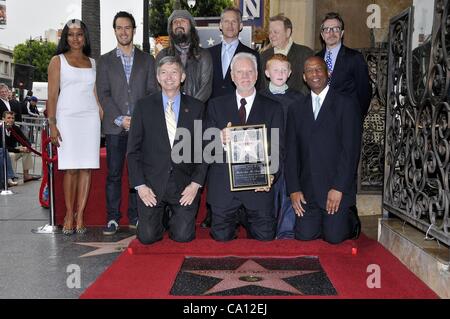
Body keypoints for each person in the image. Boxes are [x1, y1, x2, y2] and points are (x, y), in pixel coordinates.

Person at [127, 56, 207, 244]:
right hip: (152, 185)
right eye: (164, 72)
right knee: (147, 238)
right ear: (157, 77)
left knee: (183, 236)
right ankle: (159, 218)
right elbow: (133, 151)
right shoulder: (143, 106)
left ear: (182, 77)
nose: (169, 77)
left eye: (174, 72)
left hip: (184, 184)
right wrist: (141, 186)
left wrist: (195, 184)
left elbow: (205, 150)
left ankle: (175, 218)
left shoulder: (197, 107)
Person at [206, 52, 284, 242]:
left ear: (257, 76)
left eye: (249, 72)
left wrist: (271, 175)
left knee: (265, 241)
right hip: (224, 188)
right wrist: (219, 138)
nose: (245, 76)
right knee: (220, 243)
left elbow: (278, 148)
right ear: (232, 76)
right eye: (240, 72)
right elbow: (205, 145)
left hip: (258, 189)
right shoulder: (215, 105)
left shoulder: (273, 108)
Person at [285, 57, 362, 244]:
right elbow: (291, 152)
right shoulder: (296, 108)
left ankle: (351, 218)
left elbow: (350, 151)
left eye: (319, 70)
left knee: (334, 238)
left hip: (335, 190)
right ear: (304, 77)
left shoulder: (346, 104)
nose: (315, 74)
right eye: (309, 71)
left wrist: (339, 188)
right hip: (308, 191)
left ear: (328, 73)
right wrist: (294, 189)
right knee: (305, 236)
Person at [96, 11, 157, 235]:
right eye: (119, 28)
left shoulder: (147, 59)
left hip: (141, 128)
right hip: (115, 127)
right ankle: (112, 217)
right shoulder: (104, 61)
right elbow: (103, 94)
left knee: (137, 174)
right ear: (115, 31)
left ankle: (135, 216)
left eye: (127, 27)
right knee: (113, 174)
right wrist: (121, 119)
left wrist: (138, 120)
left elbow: (152, 92)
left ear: (133, 30)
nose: (124, 31)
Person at [201, 6, 261, 228]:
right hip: (216, 117)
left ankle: (242, 210)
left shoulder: (252, 55)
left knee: (243, 162)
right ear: (219, 25)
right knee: (216, 164)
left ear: (240, 26)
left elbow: (258, 88)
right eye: (225, 21)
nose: (229, 25)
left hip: (244, 115)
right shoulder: (208, 53)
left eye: (234, 21)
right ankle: (214, 210)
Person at [316, 12, 372, 238]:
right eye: (327, 29)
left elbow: (364, 92)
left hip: (346, 124)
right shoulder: (316, 58)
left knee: (347, 167)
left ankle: (349, 212)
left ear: (342, 32)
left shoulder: (354, 58)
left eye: (335, 28)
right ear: (321, 34)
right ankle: (325, 208)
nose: (331, 33)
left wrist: (353, 118)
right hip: (322, 126)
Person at [47, 19, 102, 235]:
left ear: (85, 36)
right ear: (65, 37)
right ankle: (69, 213)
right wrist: (52, 124)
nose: (75, 38)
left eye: (79, 34)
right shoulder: (57, 61)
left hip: (89, 119)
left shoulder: (93, 62)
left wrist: (100, 110)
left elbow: (94, 91)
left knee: (86, 168)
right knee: (71, 169)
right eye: (71, 34)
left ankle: (81, 215)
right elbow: (52, 96)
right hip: (67, 118)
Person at [260, 53, 304, 239]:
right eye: (276, 69)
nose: (280, 73)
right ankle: (267, 228)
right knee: (268, 192)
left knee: (288, 191)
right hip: (267, 154)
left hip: (290, 154)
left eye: (284, 70)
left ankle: (286, 232)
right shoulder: (260, 97)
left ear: (290, 73)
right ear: (267, 73)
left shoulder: (298, 98)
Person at [156, 9, 212, 103]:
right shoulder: (162, 55)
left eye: (183, 21)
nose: (178, 24)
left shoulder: (204, 55)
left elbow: (206, 89)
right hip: (169, 112)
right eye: (175, 22)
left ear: (191, 27)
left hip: (196, 113)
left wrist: (189, 109)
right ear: (171, 29)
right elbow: (158, 86)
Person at [259, 14, 314, 95]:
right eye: (270, 32)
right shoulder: (263, 56)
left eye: (276, 32)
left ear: (288, 32)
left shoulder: (305, 54)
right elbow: (261, 85)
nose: (271, 35)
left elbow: (310, 82)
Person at [0, 111, 40, 183]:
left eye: (12, 118)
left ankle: (26, 175)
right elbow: (3, 147)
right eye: (8, 118)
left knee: (27, 151)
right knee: (11, 155)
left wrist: (27, 147)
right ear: (3, 119)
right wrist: (19, 150)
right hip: (2, 152)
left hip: (12, 150)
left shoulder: (15, 128)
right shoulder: (0, 129)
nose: (11, 120)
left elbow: (25, 140)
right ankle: (10, 178)